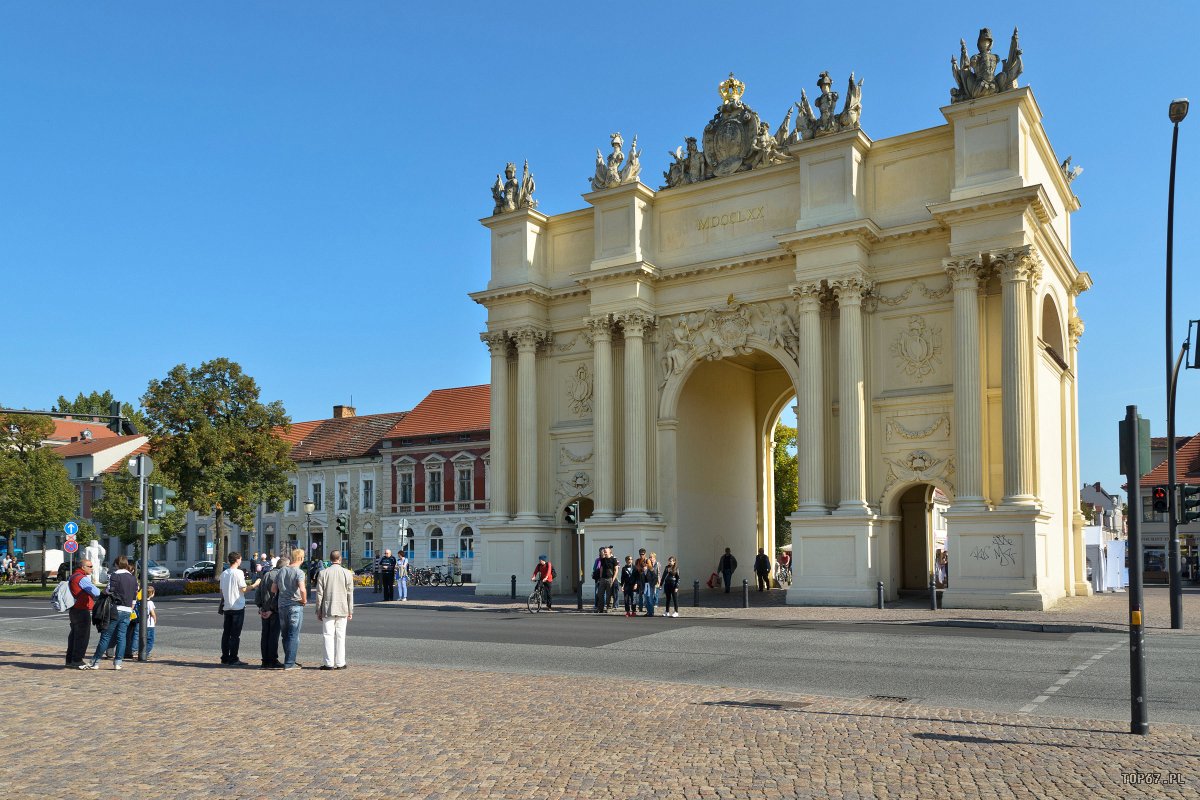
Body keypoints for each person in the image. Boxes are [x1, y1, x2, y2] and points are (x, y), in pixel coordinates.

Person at [81, 555, 138, 670]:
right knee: (122, 637)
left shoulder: (115, 575)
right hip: (127, 610)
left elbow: (109, 590)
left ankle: (95, 662)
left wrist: (104, 591)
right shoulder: (133, 578)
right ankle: (118, 662)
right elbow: (134, 597)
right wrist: (130, 608)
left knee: (106, 636)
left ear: (116, 564)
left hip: (115, 609)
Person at [315, 550, 355, 670]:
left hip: (328, 608)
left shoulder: (323, 573)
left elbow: (319, 594)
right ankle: (340, 662)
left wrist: (318, 610)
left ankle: (328, 663)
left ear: (330, 559)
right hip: (343, 607)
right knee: (341, 635)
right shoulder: (347, 573)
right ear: (340, 559)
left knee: (328, 635)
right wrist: (350, 610)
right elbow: (350, 593)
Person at [220, 551, 261, 666]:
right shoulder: (238, 573)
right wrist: (254, 585)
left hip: (227, 606)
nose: (241, 561)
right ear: (237, 560)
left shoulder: (224, 573)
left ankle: (225, 657)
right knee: (235, 635)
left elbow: (221, 591)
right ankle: (233, 658)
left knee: (226, 634)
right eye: (240, 559)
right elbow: (243, 589)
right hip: (237, 606)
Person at [273, 548, 308, 670]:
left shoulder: (281, 570)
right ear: (301, 558)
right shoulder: (299, 572)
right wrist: (304, 600)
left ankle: (288, 659)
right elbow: (302, 589)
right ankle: (290, 662)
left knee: (285, 634)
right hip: (294, 605)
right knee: (293, 634)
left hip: (282, 605)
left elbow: (273, 589)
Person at [65, 558, 100, 667]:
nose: (92, 568)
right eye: (89, 566)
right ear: (82, 567)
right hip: (81, 609)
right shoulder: (82, 578)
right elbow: (96, 592)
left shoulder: (73, 576)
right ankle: (77, 660)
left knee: (74, 635)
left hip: (74, 609)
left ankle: (70, 660)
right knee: (82, 636)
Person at [256, 555, 285, 669]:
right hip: (274, 610)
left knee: (265, 635)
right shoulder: (279, 576)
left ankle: (265, 660)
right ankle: (272, 659)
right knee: (273, 635)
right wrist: (272, 610)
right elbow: (278, 595)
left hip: (264, 609)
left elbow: (258, 591)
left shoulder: (266, 574)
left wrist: (260, 607)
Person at [129, 585, 157, 660]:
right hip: (149, 624)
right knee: (150, 639)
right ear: (152, 594)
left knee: (138, 636)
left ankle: (135, 650)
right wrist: (155, 619)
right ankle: (146, 652)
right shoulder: (150, 603)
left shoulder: (140, 601)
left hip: (140, 622)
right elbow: (152, 613)